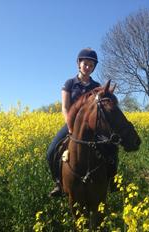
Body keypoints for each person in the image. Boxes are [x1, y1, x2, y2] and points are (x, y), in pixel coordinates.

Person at [46, 48, 100, 197]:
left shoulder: (96, 86)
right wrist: (70, 126)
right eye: (86, 64)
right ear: (79, 64)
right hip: (72, 123)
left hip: (92, 126)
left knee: (110, 149)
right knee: (51, 152)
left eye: (91, 65)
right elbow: (65, 107)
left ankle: (111, 180)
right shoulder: (70, 83)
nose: (88, 67)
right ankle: (59, 183)